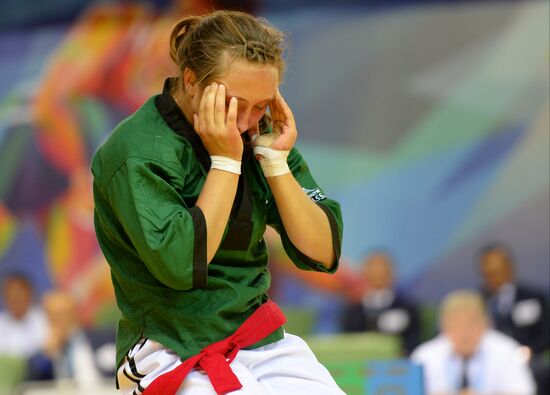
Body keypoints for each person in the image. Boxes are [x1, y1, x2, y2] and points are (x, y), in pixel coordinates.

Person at [91, 10, 344, 395]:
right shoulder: (137, 152)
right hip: (169, 346)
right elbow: (180, 264)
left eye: (261, 105)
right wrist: (226, 162)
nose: (245, 122)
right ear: (192, 80)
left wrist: (275, 163)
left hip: (258, 338)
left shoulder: (260, 134)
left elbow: (324, 252)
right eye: (234, 103)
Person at [411, 289, 535, 395]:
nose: (464, 331)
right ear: (443, 326)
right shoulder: (424, 356)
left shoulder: (507, 350)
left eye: (472, 323)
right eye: (456, 323)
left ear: (486, 323)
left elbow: (524, 391)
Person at [478, 243, 549, 395]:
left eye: (498, 271)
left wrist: (528, 350)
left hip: (525, 358)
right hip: (486, 361)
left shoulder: (532, 296)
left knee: (539, 370)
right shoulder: (477, 301)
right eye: (489, 273)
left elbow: (545, 333)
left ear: (510, 268)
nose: (494, 276)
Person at [341, 251, 420, 354]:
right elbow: (348, 344)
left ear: (392, 272)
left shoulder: (408, 308)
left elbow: (414, 343)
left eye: (383, 268)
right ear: (364, 273)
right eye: (373, 269)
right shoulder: (352, 311)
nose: (378, 273)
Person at [26, 290, 105, 388]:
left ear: (76, 314)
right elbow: (30, 384)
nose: (61, 321)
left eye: (65, 314)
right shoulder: (42, 354)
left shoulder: (103, 338)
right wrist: (47, 355)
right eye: (54, 316)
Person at [0, 272, 47, 358]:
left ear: (29, 293)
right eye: (10, 294)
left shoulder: (44, 320)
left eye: (19, 294)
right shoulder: (1, 323)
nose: (14, 296)